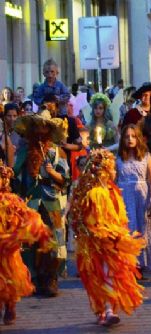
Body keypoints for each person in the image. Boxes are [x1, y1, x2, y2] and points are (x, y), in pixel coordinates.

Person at [70, 149, 145, 326]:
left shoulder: (112, 190)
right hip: (96, 242)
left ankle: (109, 310)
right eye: (111, 168)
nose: (114, 172)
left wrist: (119, 233)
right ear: (102, 170)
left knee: (109, 273)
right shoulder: (94, 193)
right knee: (98, 275)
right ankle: (103, 310)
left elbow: (119, 216)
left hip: (112, 240)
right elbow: (87, 219)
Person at [13, 109, 70, 297]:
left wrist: (52, 173)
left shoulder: (57, 152)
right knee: (30, 241)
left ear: (49, 129)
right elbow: (15, 175)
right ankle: (34, 279)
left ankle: (51, 278)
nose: (39, 130)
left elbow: (65, 178)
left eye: (43, 126)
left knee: (54, 240)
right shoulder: (24, 151)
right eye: (36, 126)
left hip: (52, 202)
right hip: (31, 202)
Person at [0, 161, 52, 325]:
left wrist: (35, 227)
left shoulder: (10, 200)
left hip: (7, 249)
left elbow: (26, 215)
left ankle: (10, 305)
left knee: (9, 277)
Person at [116, 124, 151, 271]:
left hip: (141, 195)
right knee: (128, 227)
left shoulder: (146, 156)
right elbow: (113, 179)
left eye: (133, 136)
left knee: (142, 228)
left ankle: (142, 263)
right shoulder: (119, 158)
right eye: (127, 136)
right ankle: (128, 263)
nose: (130, 139)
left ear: (138, 138)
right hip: (124, 195)